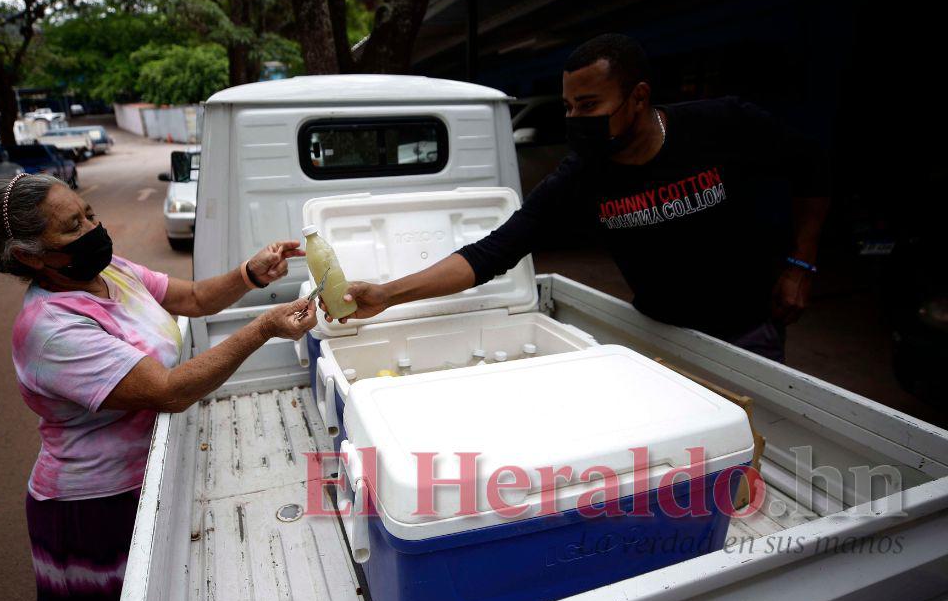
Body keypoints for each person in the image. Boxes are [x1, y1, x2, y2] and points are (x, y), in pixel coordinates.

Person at [0, 173, 317, 601]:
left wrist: (251, 274)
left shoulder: (109, 272)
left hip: (141, 479)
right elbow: (167, 391)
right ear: (32, 256)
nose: (94, 227)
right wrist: (261, 329)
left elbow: (197, 297)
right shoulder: (49, 328)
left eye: (89, 212)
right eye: (74, 226)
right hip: (90, 505)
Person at [323, 33, 830, 362]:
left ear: (638, 98)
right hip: (660, 335)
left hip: (749, 331)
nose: (575, 120)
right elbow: (492, 252)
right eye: (568, 106)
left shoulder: (723, 124)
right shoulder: (584, 173)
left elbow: (813, 171)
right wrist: (388, 295)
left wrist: (800, 264)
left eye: (589, 105)